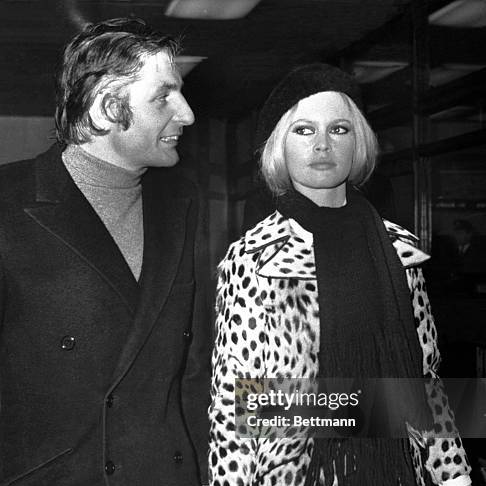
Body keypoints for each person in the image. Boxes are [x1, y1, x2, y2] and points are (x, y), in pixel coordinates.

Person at [209, 64, 471, 485]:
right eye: (304, 130)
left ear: (358, 142)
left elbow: (426, 380)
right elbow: (233, 404)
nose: (322, 144)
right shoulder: (254, 258)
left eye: (339, 129)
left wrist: (454, 475)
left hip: (399, 471)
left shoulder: (399, 252)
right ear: (280, 146)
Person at [0, 18, 210, 486]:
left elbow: (194, 370)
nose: (187, 113)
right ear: (106, 109)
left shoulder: (182, 203)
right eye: (164, 96)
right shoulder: (7, 204)